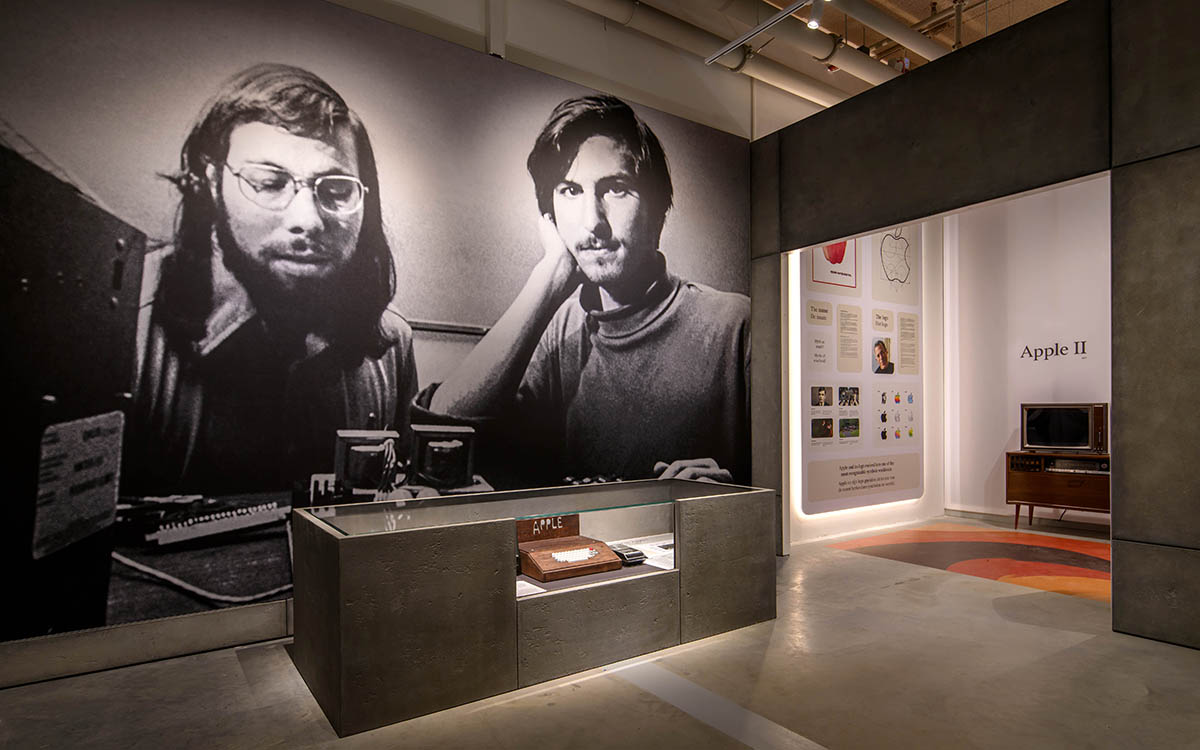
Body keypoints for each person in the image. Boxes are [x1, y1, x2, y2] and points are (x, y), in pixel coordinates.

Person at [423, 95, 749, 486]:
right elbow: (441, 434)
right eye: (570, 191)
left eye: (616, 189)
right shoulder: (557, 333)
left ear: (658, 209)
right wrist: (549, 275)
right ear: (550, 215)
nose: (592, 222)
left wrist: (735, 494)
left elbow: (795, 477)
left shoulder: (735, 326)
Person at [126, 63, 417, 494]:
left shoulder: (390, 343)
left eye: (337, 190)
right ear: (212, 182)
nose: (308, 220)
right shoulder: (125, 328)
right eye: (268, 183)